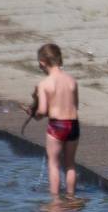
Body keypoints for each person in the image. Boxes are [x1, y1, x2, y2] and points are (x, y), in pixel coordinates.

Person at [32, 43, 81, 198]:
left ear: (42, 62)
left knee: (54, 164)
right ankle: (71, 197)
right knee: (70, 164)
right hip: (73, 124)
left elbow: (42, 110)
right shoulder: (72, 80)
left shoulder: (44, 83)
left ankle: (55, 201)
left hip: (57, 125)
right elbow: (76, 105)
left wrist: (35, 114)